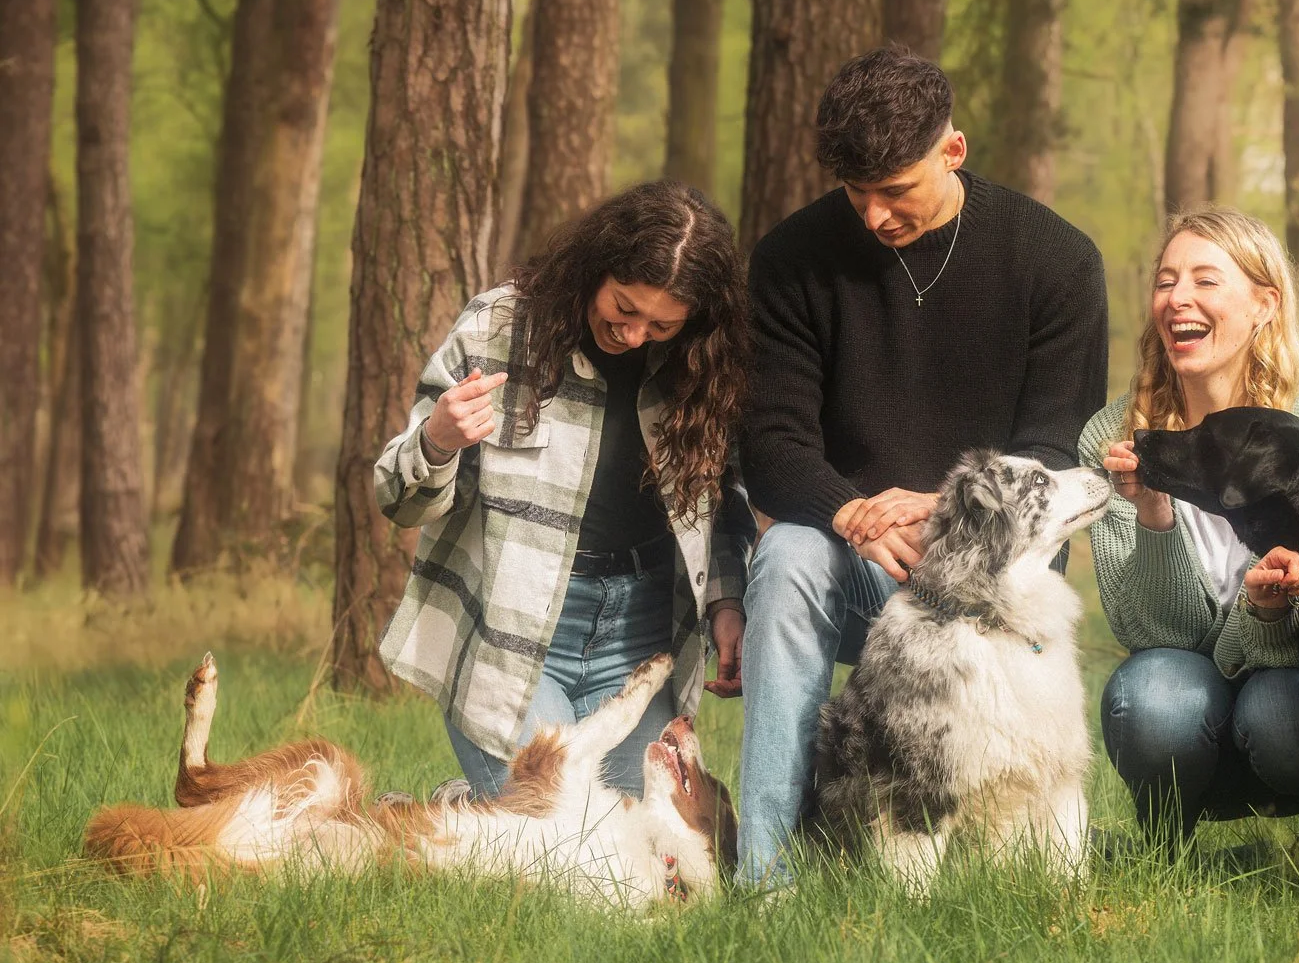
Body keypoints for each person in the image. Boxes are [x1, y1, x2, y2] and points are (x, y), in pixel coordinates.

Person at [735, 47, 1110, 884]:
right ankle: (766, 874)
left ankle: (1026, 861)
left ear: (954, 151)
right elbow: (771, 445)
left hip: (993, 580)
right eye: (854, 193)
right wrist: (852, 513)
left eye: (895, 191)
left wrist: (940, 506)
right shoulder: (791, 260)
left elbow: (1052, 453)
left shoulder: (1057, 262)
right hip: (855, 561)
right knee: (788, 557)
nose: (872, 217)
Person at [374, 180, 754, 801]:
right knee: (559, 843)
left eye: (661, 324)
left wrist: (727, 603)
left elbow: (722, 504)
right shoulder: (499, 327)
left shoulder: (702, 364)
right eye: (624, 309)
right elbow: (397, 497)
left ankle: (468, 812)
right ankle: (469, 809)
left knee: (636, 856)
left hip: (642, 636)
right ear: (595, 268)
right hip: (513, 636)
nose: (634, 335)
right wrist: (439, 439)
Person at [1082, 205, 1299, 856]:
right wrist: (1155, 515)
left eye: (1205, 280)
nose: (1177, 297)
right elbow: (1150, 634)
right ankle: (1162, 850)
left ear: (1264, 303)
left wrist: (1270, 612)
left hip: (1290, 696)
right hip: (1184, 709)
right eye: (1166, 280)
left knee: (1281, 705)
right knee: (1152, 692)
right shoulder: (1113, 437)